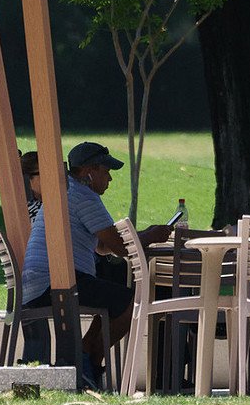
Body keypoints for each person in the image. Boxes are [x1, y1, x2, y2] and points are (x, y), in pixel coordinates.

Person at [21, 141, 171, 387]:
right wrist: (152, 235)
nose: (109, 178)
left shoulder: (67, 191)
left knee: (114, 301)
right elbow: (119, 247)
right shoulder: (83, 195)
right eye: (106, 171)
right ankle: (88, 363)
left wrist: (144, 234)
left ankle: (85, 357)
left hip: (42, 282)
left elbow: (102, 246)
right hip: (54, 283)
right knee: (131, 303)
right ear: (89, 171)